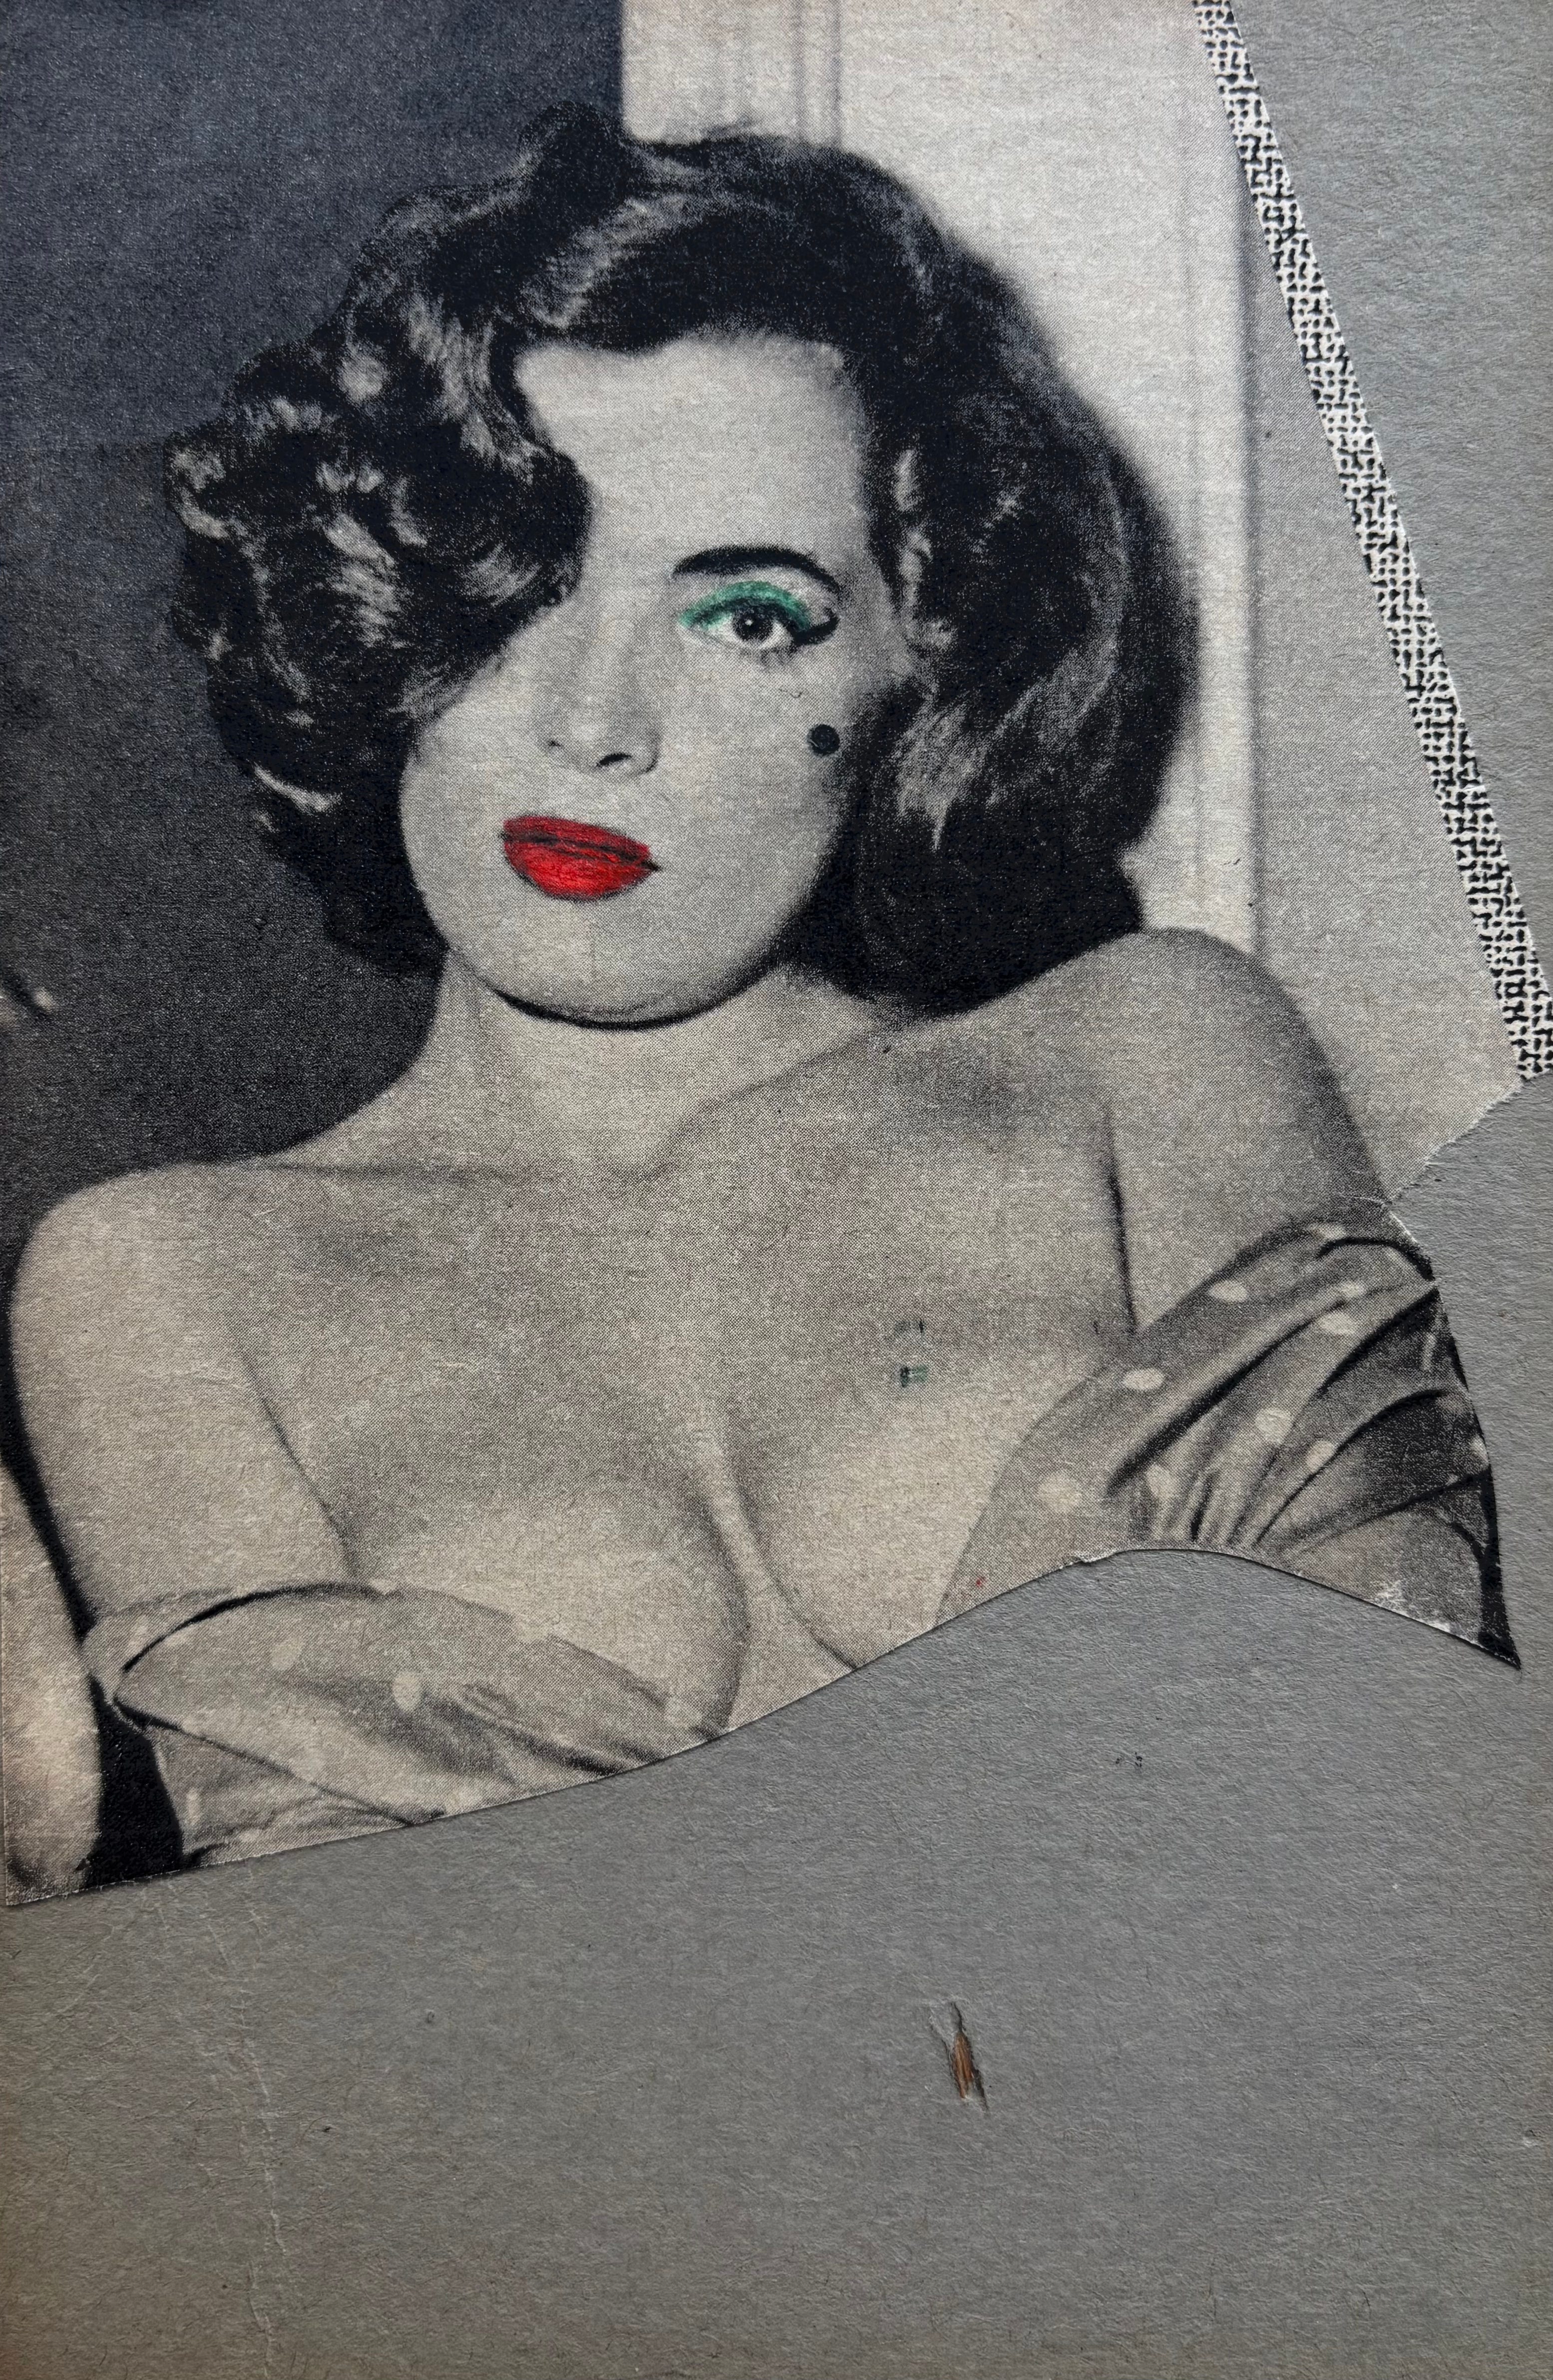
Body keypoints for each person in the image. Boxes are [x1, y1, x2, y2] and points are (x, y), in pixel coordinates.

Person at [6, 106, 1513, 1888]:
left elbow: (1395, 1809)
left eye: (746, 618)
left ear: (920, 661)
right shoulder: (161, 1279)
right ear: (382, 617)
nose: (594, 719)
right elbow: (340, 1999)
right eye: (517, 584)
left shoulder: (1150, 1056)